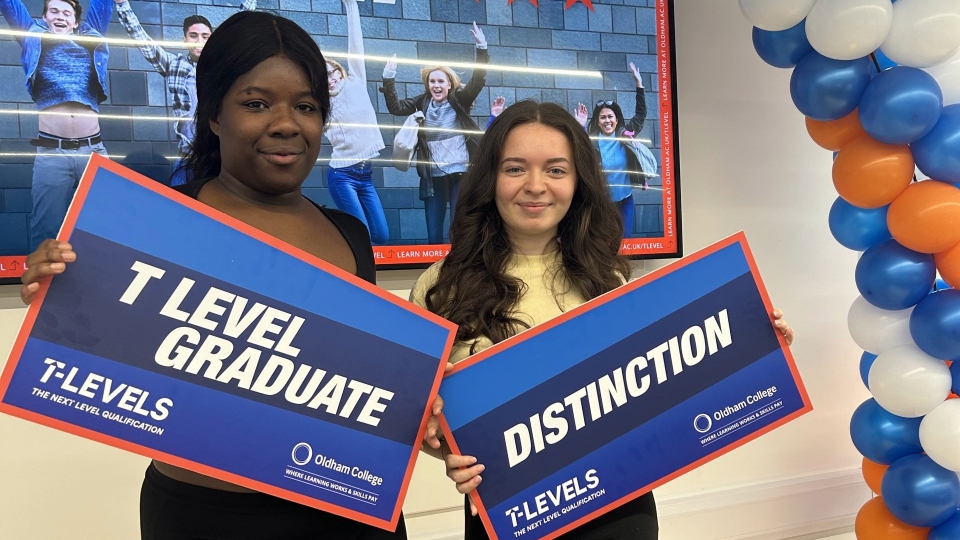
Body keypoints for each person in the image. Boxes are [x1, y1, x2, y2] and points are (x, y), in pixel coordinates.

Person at [20, 11, 407, 539]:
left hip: (348, 511)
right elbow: (103, 358)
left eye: (306, 106)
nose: (287, 123)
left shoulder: (350, 236)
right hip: (203, 517)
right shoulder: (153, 223)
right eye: (256, 103)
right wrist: (59, 288)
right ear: (214, 116)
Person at [410, 101, 795, 539]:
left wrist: (755, 338)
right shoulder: (442, 285)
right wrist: (444, 452)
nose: (536, 186)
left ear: (578, 182)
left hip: (618, 510)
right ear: (490, 178)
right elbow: (420, 414)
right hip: (507, 512)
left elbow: (670, 375)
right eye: (515, 168)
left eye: (556, 170)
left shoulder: (608, 276)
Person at [1, 0, 111, 251]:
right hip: (52, 153)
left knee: (107, 225)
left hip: (93, 151)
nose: (60, 17)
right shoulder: (32, 35)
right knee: (46, 230)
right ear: (44, 17)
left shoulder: (91, 35)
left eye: (66, 13)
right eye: (54, 11)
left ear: (75, 21)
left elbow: (102, 4)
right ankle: (44, 289)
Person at [114, 0, 257, 186]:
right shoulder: (174, 65)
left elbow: (238, 26)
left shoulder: (221, 66)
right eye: (194, 36)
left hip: (218, 157)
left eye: (205, 36)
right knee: (179, 206)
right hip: (187, 156)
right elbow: (143, 41)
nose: (200, 41)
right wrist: (122, 4)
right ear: (184, 40)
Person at [381, 24, 488, 244]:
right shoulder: (422, 102)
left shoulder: (460, 100)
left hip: (461, 172)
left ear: (449, 84)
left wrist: (482, 47)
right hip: (433, 176)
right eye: (432, 81)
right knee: (433, 232)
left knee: (458, 228)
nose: (436, 85)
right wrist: (388, 77)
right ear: (428, 85)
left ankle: (458, 269)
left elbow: (478, 81)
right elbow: (396, 108)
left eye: (441, 81)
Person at [325, 0, 388, 244]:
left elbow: (355, 45)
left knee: (381, 237)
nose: (330, 78)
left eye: (331, 71)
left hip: (365, 173)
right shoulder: (323, 105)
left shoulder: (356, 80)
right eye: (323, 76)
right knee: (360, 236)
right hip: (342, 175)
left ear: (339, 70)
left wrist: (352, 7)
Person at [575, 63, 658, 238]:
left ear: (616, 119)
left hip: (626, 200)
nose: (607, 120)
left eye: (610, 116)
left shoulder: (625, 135)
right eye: (602, 117)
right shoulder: (592, 142)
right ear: (597, 122)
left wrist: (639, 84)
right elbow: (580, 147)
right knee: (604, 243)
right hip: (602, 204)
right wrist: (580, 125)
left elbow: (640, 115)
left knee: (625, 242)